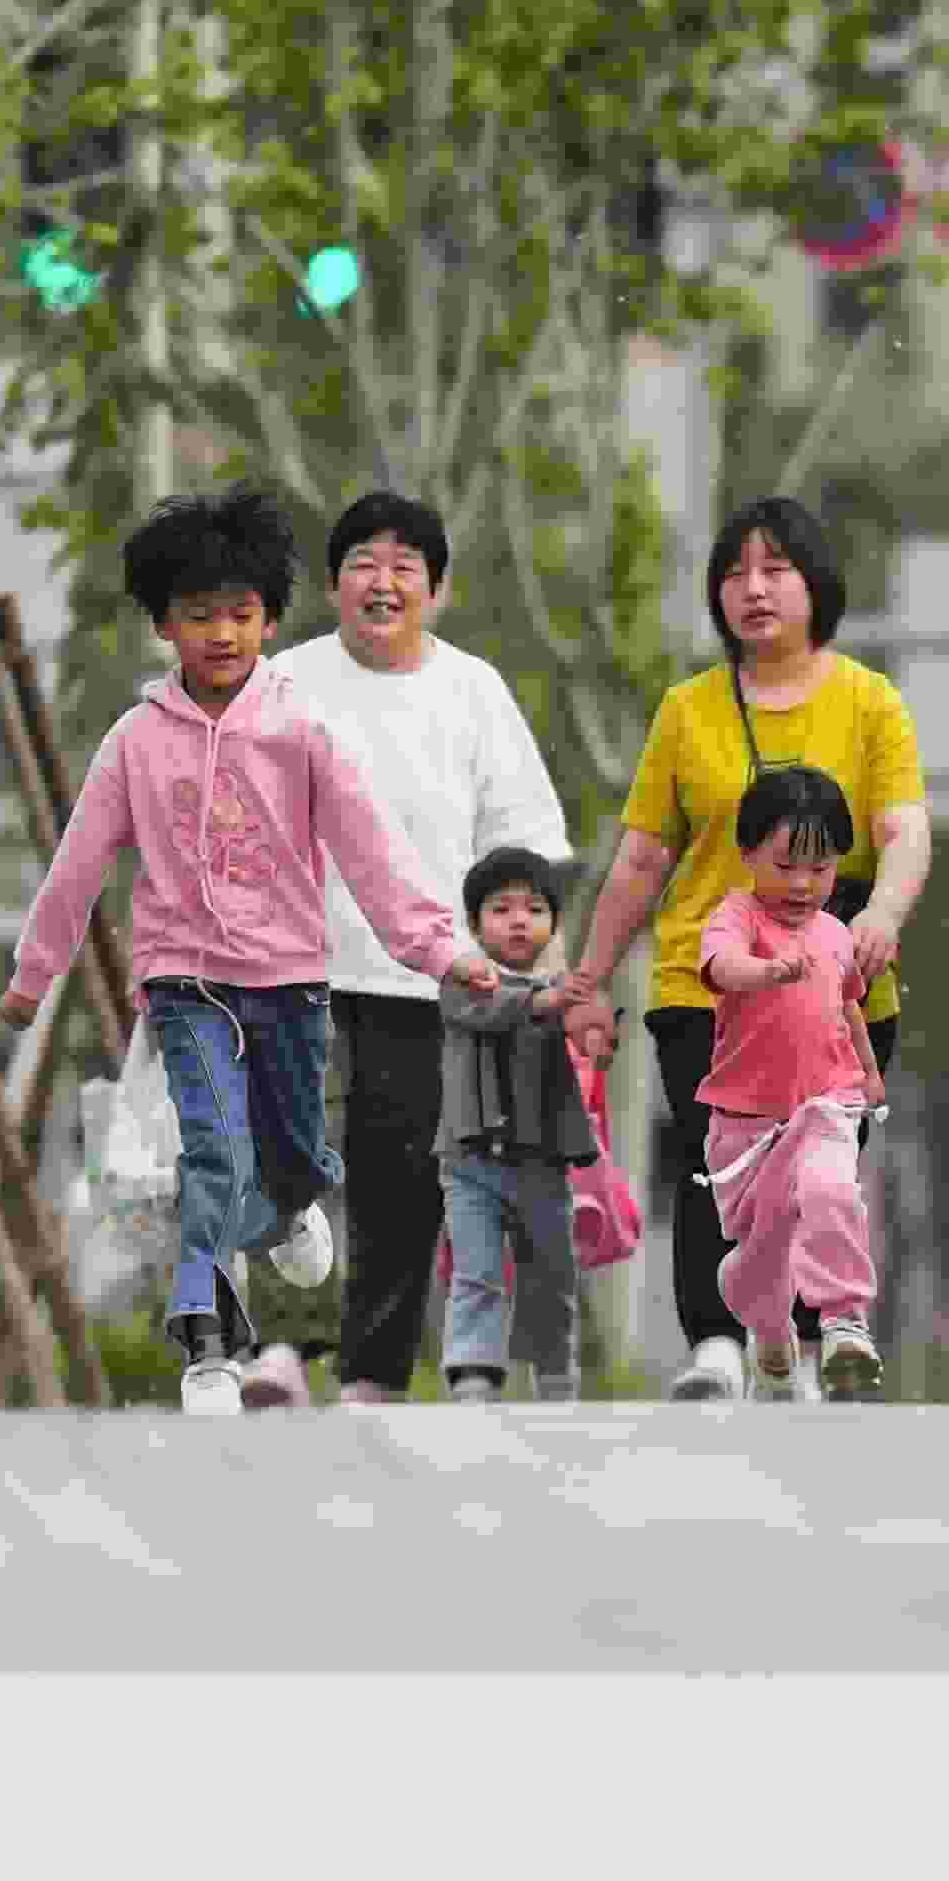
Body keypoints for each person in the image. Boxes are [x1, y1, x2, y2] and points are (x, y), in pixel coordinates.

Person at [0, 489, 501, 1417]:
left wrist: (441, 953)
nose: (221, 633)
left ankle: (294, 1203)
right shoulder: (135, 743)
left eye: (239, 613)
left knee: (294, 1155)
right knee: (213, 1156)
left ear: (270, 620)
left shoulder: (302, 731)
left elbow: (374, 858)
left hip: (290, 987)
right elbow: (78, 866)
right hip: (185, 984)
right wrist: (35, 974)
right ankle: (208, 1348)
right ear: (164, 625)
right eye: (198, 615)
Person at [559, 496, 930, 1404]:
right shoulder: (689, 711)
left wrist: (883, 913)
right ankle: (718, 1344)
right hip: (708, 985)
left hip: (838, 992)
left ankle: (803, 1342)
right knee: (713, 1164)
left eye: (775, 569)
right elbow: (642, 857)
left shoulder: (870, 703)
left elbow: (905, 830)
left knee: (816, 1175)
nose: (753, 589)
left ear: (816, 584)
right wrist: (589, 977)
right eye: (734, 573)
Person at [258, 492, 574, 1407]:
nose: (383, 582)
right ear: (333, 585)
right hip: (296, 968)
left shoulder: (473, 691)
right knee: (288, 1160)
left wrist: (535, 973)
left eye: (404, 566)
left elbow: (526, 841)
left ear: (436, 590)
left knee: (401, 1183)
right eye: (363, 562)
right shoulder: (283, 685)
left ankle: (371, 1372)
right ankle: (282, 1345)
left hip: (430, 978)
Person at [693, 766, 891, 1401]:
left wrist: (869, 1074)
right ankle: (769, 1333)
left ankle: (844, 1324)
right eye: (785, 865)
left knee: (832, 1190)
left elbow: (849, 1006)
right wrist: (767, 971)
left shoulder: (836, 934)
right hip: (747, 1122)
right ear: (748, 853)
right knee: (763, 1255)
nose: (803, 884)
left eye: (820, 867)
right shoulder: (736, 917)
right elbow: (721, 966)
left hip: (828, 1102)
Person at [429, 846, 592, 1403]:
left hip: (543, 1161)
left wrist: (594, 1026)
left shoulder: (566, 987)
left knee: (552, 1272)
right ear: (475, 925)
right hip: (470, 1159)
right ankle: (473, 1369)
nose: (519, 920)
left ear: (553, 923)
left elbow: (589, 1029)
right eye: (501, 909)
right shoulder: (462, 979)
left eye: (535, 909)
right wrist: (547, 1001)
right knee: (476, 1272)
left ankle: (554, 1371)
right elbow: (492, 1008)